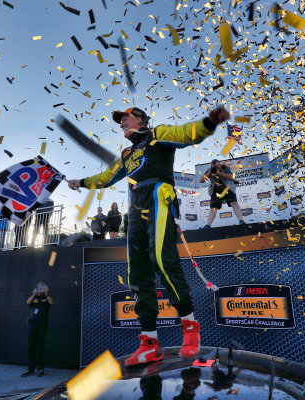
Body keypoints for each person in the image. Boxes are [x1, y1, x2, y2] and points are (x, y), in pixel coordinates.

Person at [66, 105, 230, 366]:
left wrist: (209, 123)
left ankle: (190, 328)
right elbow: (107, 177)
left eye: (125, 118)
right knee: (137, 274)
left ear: (139, 119)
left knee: (163, 261)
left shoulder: (157, 134)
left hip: (158, 198)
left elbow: (187, 134)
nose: (121, 124)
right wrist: (82, 182)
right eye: (119, 121)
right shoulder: (126, 152)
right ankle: (149, 343)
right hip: (135, 208)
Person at [200, 159, 245, 228]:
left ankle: (241, 221)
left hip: (228, 188)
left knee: (234, 203)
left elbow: (232, 177)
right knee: (213, 208)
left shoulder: (225, 167)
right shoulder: (210, 170)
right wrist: (208, 173)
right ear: (212, 166)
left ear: (220, 164)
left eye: (218, 165)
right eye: (215, 166)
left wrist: (219, 174)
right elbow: (201, 180)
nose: (217, 167)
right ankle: (207, 225)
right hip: (216, 190)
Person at [22, 282, 53, 377]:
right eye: (39, 288)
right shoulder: (34, 298)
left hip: (42, 325)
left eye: (42, 288)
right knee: (31, 346)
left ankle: (40, 369)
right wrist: (33, 294)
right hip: (32, 325)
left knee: (40, 346)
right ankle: (30, 369)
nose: (40, 290)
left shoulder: (46, 298)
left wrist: (47, 293)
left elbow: (51, 302)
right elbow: (27, 302)